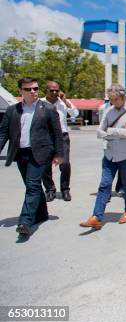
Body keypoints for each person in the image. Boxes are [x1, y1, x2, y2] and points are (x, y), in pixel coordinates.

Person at [0, 77, 64, 239]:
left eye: (35, 88)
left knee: (32, 185)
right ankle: (41, 213)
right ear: (20, 91)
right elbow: (3, 133)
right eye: (28, 89)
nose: (33, 92)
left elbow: (57, 133)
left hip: (41, 153)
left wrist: (59, 154)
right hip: (21, 154)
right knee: (32, 186)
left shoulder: (48, 108)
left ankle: (25, 222)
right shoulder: (12, 110)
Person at [80, 84, 126, 230]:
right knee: (104, 185)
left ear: (123, 97)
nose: (113, 102)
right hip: (109, 155)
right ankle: (96, 217)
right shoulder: (109, 110)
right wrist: (115, 133)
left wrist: (109, 132)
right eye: (111, 99)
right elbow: (99, 131)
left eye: (115, 99)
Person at [41, 80, 78, 202]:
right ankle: (50, 190)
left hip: (62, 136)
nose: (55, 92)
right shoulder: (40, 103)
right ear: (46, 90)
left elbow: (75, 114)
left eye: (57, 90)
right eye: (51, 90)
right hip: (46, 136)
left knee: (65, 163)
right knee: (45, 165)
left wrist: (65, 100)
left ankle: (65, 189)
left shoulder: (63, 103)